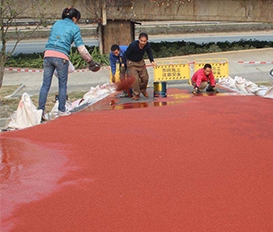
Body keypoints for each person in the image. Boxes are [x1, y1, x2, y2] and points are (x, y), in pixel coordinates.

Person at [38, 7, 100, 117]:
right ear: (74, 18)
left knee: (45, 85)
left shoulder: (56, 23)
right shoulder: (74, 27)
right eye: (77, 19)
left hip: (48, 55)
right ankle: (62, 110)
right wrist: (90, 61)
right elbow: (81, 48)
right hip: (61, 57)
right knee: (62, 85)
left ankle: (40, 111)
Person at [122, 32, 156, 101]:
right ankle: (136, 94)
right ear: (139, 40)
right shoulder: (133, 45)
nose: (143, 43)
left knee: (145, 78)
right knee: (135, 79)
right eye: (141, 41)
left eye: (145, 41)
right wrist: (123, 63)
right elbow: (126, 54)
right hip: (132, 63)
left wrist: (152, 61)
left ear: (147, 41)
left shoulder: (147, 45)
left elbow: (149, 53)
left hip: (140, 62)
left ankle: (143, 89)